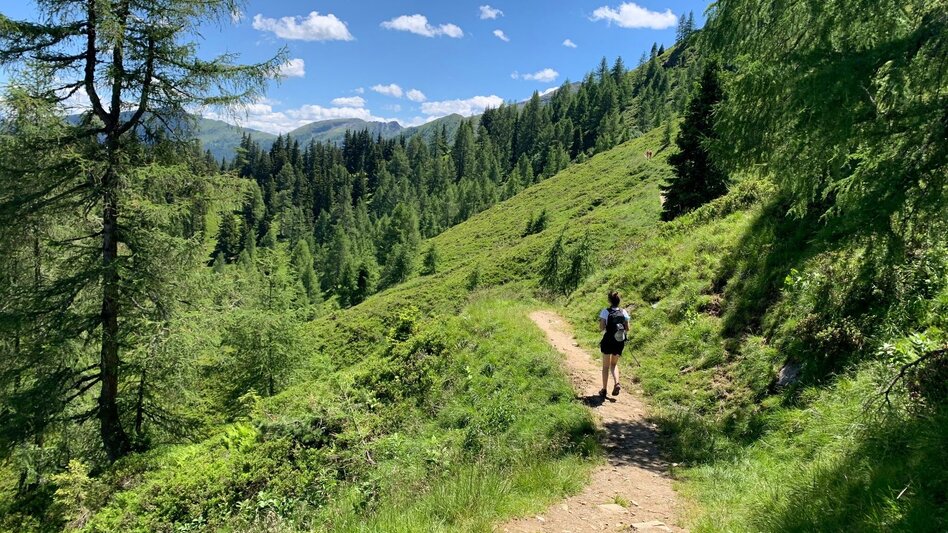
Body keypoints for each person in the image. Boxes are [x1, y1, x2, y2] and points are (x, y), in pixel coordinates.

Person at [598, 291, 630, 398]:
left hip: (608, 341)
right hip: (619, 341)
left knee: (605, 366)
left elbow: (602, 328)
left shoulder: (605, 312)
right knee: (614, 364)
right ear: (618, 301)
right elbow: (627, 328)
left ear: (609, 301)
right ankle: (617, 383)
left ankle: (604, 389)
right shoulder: (624, 312)